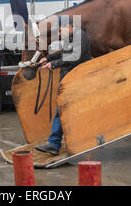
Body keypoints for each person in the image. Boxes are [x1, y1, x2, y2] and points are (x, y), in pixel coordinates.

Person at [35, 15, 91, 156]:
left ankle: (56, 143)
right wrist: (48, 58)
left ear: (69, 26)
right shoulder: (71, 38)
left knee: (61, 110)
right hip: (69, 79)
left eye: (60, 30)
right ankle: (56, 143)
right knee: (62, 110)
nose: (59, 34)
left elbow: (74, 57)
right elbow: (63, 53)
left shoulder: (80, 36)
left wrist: (53, 64)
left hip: (76, 81)